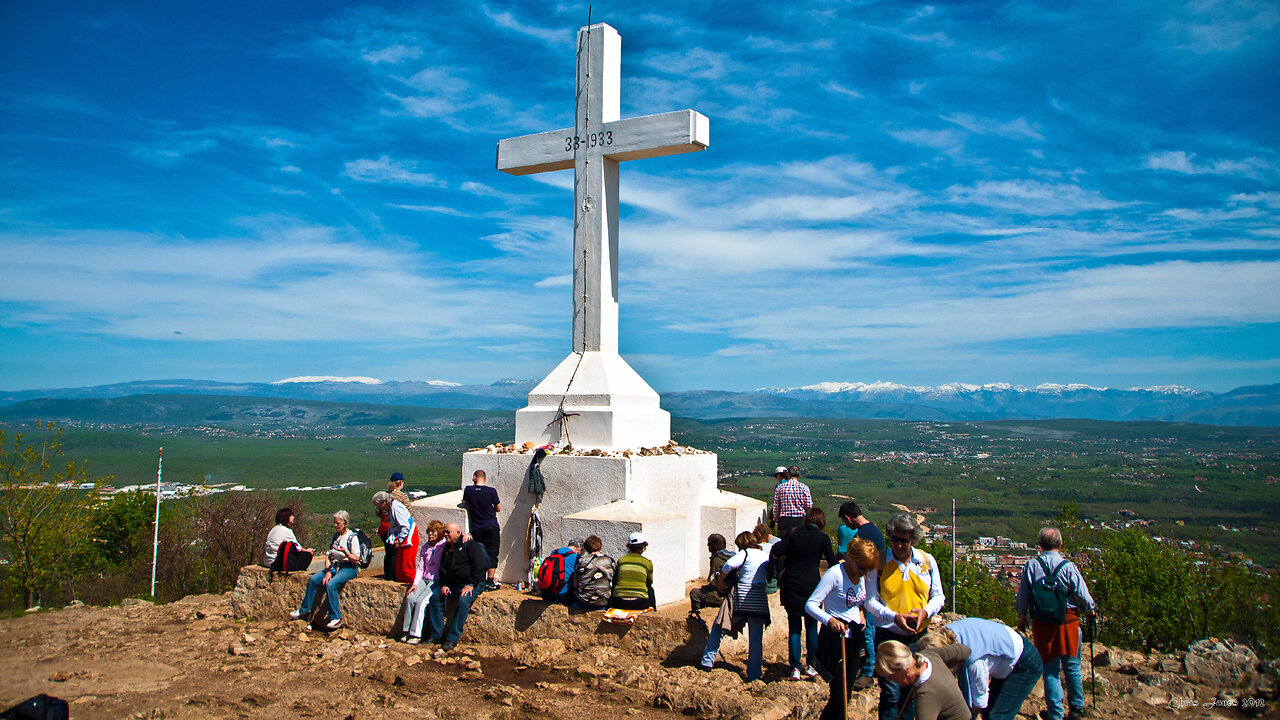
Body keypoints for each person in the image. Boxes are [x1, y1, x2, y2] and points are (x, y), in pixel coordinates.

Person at [866, 513, 946, 720]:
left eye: (904, 540)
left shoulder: (927, 562)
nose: (899, 545)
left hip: (919, 636)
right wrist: (894, 617)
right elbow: (870, 601)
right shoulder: (880, 562)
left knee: (912, 691)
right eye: (894, 539)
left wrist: (925, 612)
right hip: (888, 635)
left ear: (913, 539)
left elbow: (938, 596)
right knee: (891, 692)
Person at [805, 539, 894, 720]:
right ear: (851, 559)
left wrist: (862, 612)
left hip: (854, 636)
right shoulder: (834, 574)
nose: (863, 573)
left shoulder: (865, 575)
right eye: (861, 568)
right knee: (838, 695)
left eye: (866, 570)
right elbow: (811, 605)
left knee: (846, 694)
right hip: (835, 637)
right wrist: (829, 620)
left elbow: (865, 600)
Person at [1015, 527, 1096, 720]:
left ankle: (1055, 712)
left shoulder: (1032, 566)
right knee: (1072, 666)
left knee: (1050, 669)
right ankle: (1077, 708)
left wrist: (1021, 616)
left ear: (1040, 545)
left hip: (1042, 622)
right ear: (1060, 545)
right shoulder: (1068, 567)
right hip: (1067, 620)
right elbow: (1083, 595)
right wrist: (1090, 610)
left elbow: (1023, 595)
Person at [917, 618, 1044, 720]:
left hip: (1025, 664)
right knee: (990, 712)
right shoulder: (949, 633)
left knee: (997, 716)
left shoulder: (974, 660)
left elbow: (979, 702)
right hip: (1008, 655)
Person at [774, 507, 838, 680]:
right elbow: (832, 562)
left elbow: (777, 552)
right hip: (812, 585)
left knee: (794, 627)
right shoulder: (823, 538)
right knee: (811, 626)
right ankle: (812, 665)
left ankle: (795, 667)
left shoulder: (793, 534)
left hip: (792, 584)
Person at [699, 531, 772, 682]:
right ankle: (754, 674)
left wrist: (720, 584)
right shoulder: (765, 555)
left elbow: (728, 566)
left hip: (742, 597)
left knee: (720, 626)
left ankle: (707, 661)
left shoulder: (744, 554)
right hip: (759, 598)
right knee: (756, 639)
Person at [836, 500, 887, 688]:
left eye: (845, 521)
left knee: (868, 630)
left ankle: (867, 672)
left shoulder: (864, 534)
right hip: (876, 585)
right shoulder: (872, 529)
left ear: (848, 518)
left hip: (870, 588)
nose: (846, 525)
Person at [290, 510, 360, 630]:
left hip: (348, 567)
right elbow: (328, 555)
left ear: (345, 523)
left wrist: (346, 553)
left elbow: (357, 560)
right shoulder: (335, 537)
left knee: (331, 585)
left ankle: (336, 617)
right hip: (334, 566)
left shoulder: (352, 538)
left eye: (338, 523)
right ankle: (305, 609)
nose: (335, 526)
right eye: (335, 523)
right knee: (313, 579)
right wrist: (328, 571)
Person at [875, 640, 972, 720]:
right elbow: (964, 650)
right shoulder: (930, 655)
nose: (889, 679)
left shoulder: (926, 696)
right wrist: (944, 669)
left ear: (904, 670)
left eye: (890, 676)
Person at [437, 522, 486, 652]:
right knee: (435, 599)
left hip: (473, 584)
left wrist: (471, 584)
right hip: (453, 585)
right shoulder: (446, 549)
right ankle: (435, 635)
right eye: (445, 532)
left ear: (458, 533)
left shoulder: (469, 545)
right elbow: (443, 569)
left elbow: (479, 565)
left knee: (463, 601)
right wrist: (444, 585)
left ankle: (452, 638)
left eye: (448, 532)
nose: (446, 534)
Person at [398, 519, 446, 645]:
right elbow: (420, 567)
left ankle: (416, 633)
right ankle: (405, 630)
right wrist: (415, 584)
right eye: (429, 531)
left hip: (435, 580)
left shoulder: (443, 546)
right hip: (424, 578)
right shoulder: (425, 547)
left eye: (433, 532)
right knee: (410, 598)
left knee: (421, 602)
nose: (430, 534)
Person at [463, 469, 502, 590]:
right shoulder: (491, 491)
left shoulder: (468, 490)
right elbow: (498, 508)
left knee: (479, 554)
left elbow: (466, 504)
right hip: (491, 525)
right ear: (484, 479)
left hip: (476, 528)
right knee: (492, 553)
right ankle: (490, 582)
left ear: (474, 477)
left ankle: (480, 580)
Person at [373, 490, 418, 584]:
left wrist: (400, 540)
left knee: (406, 566)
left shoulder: (396, 508)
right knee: (399, 566)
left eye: (379, 505)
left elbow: (405, 525)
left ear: (384, 502)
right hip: (401, 536)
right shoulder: (391, 508)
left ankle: (411, 587)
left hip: (407, 537)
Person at [689, 534, 734, 615]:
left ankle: (697, 617)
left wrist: (705, 587)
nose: (707, 545)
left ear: (714, 546)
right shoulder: (732, 556)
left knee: (695, 593)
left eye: (709, 543)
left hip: (722, 596)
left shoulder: (717, 560)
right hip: (732, 594)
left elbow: (714, 583)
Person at [610, 532, 656, 610]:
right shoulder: (647, 563)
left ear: (629, 547)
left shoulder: (621, 561)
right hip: (639, 603)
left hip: (619, 602)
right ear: (643, 547)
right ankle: (653, 612)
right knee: (650, 589)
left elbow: (615, 581)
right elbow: (649, 582)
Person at [571, 535, 615, 609]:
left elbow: (574, 584)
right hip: (603, 602)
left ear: (586, 548)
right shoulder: (610, 560)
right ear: (600, 546)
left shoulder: (581, 561)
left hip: (583, 601)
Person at [771, 465, 812, 537]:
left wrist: (777, 522)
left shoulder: (780, 487)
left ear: (788, 474)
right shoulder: (804, 488)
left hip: (784, 521)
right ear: (799, 475)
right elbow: (808, 506)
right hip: (800, 520)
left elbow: (776, 507)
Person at [541, 537, 583, 603]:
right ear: (579, 549)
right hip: (562, 596)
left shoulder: (554, 552)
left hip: (545, 594)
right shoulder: (576, 557)